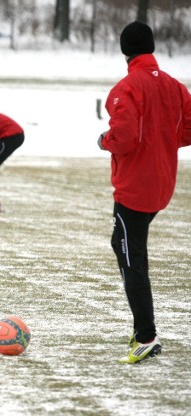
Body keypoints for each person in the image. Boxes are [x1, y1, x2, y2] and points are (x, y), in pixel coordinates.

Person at [98, 21, 191, 364]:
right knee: (130, 249)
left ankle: (146, 335)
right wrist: (162, 140)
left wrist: (103, 141)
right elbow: (187, 130)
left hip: (135, 187)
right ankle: (142, 330)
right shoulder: (176, 87)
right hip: (162, 184)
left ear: (125, 50)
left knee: (129, 254)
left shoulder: (127, 87)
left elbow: (122, 138)